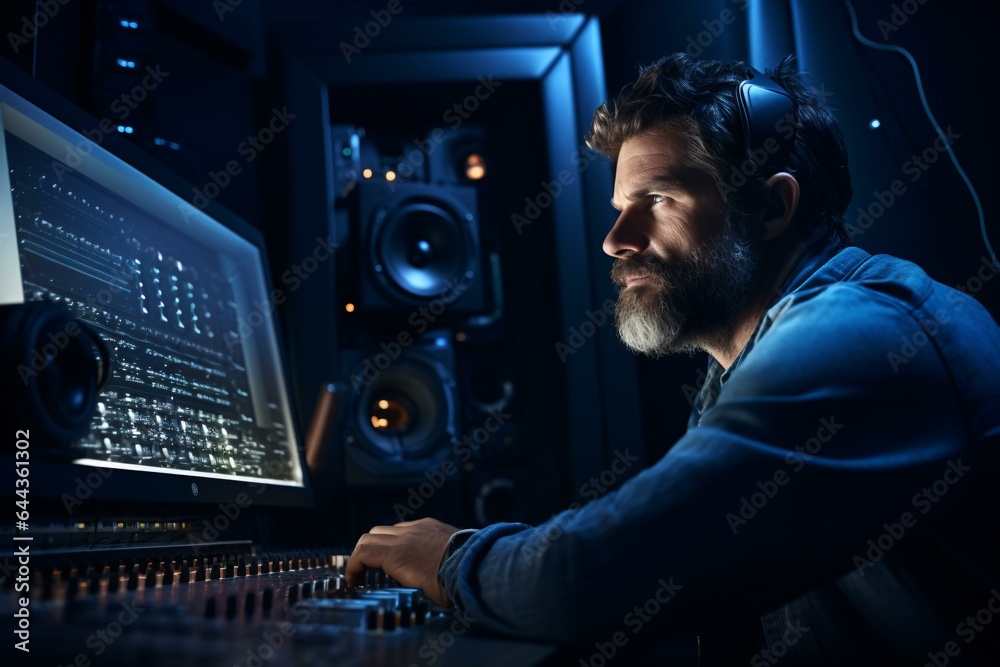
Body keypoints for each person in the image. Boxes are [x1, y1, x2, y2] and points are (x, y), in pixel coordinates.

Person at [346, 53, 1000, 665]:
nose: (615, 240)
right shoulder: (741, 365)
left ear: (772, 206)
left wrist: (453, 557)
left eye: (657, 200)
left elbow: (601, 573)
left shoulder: (863, 338)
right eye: (619, 208)